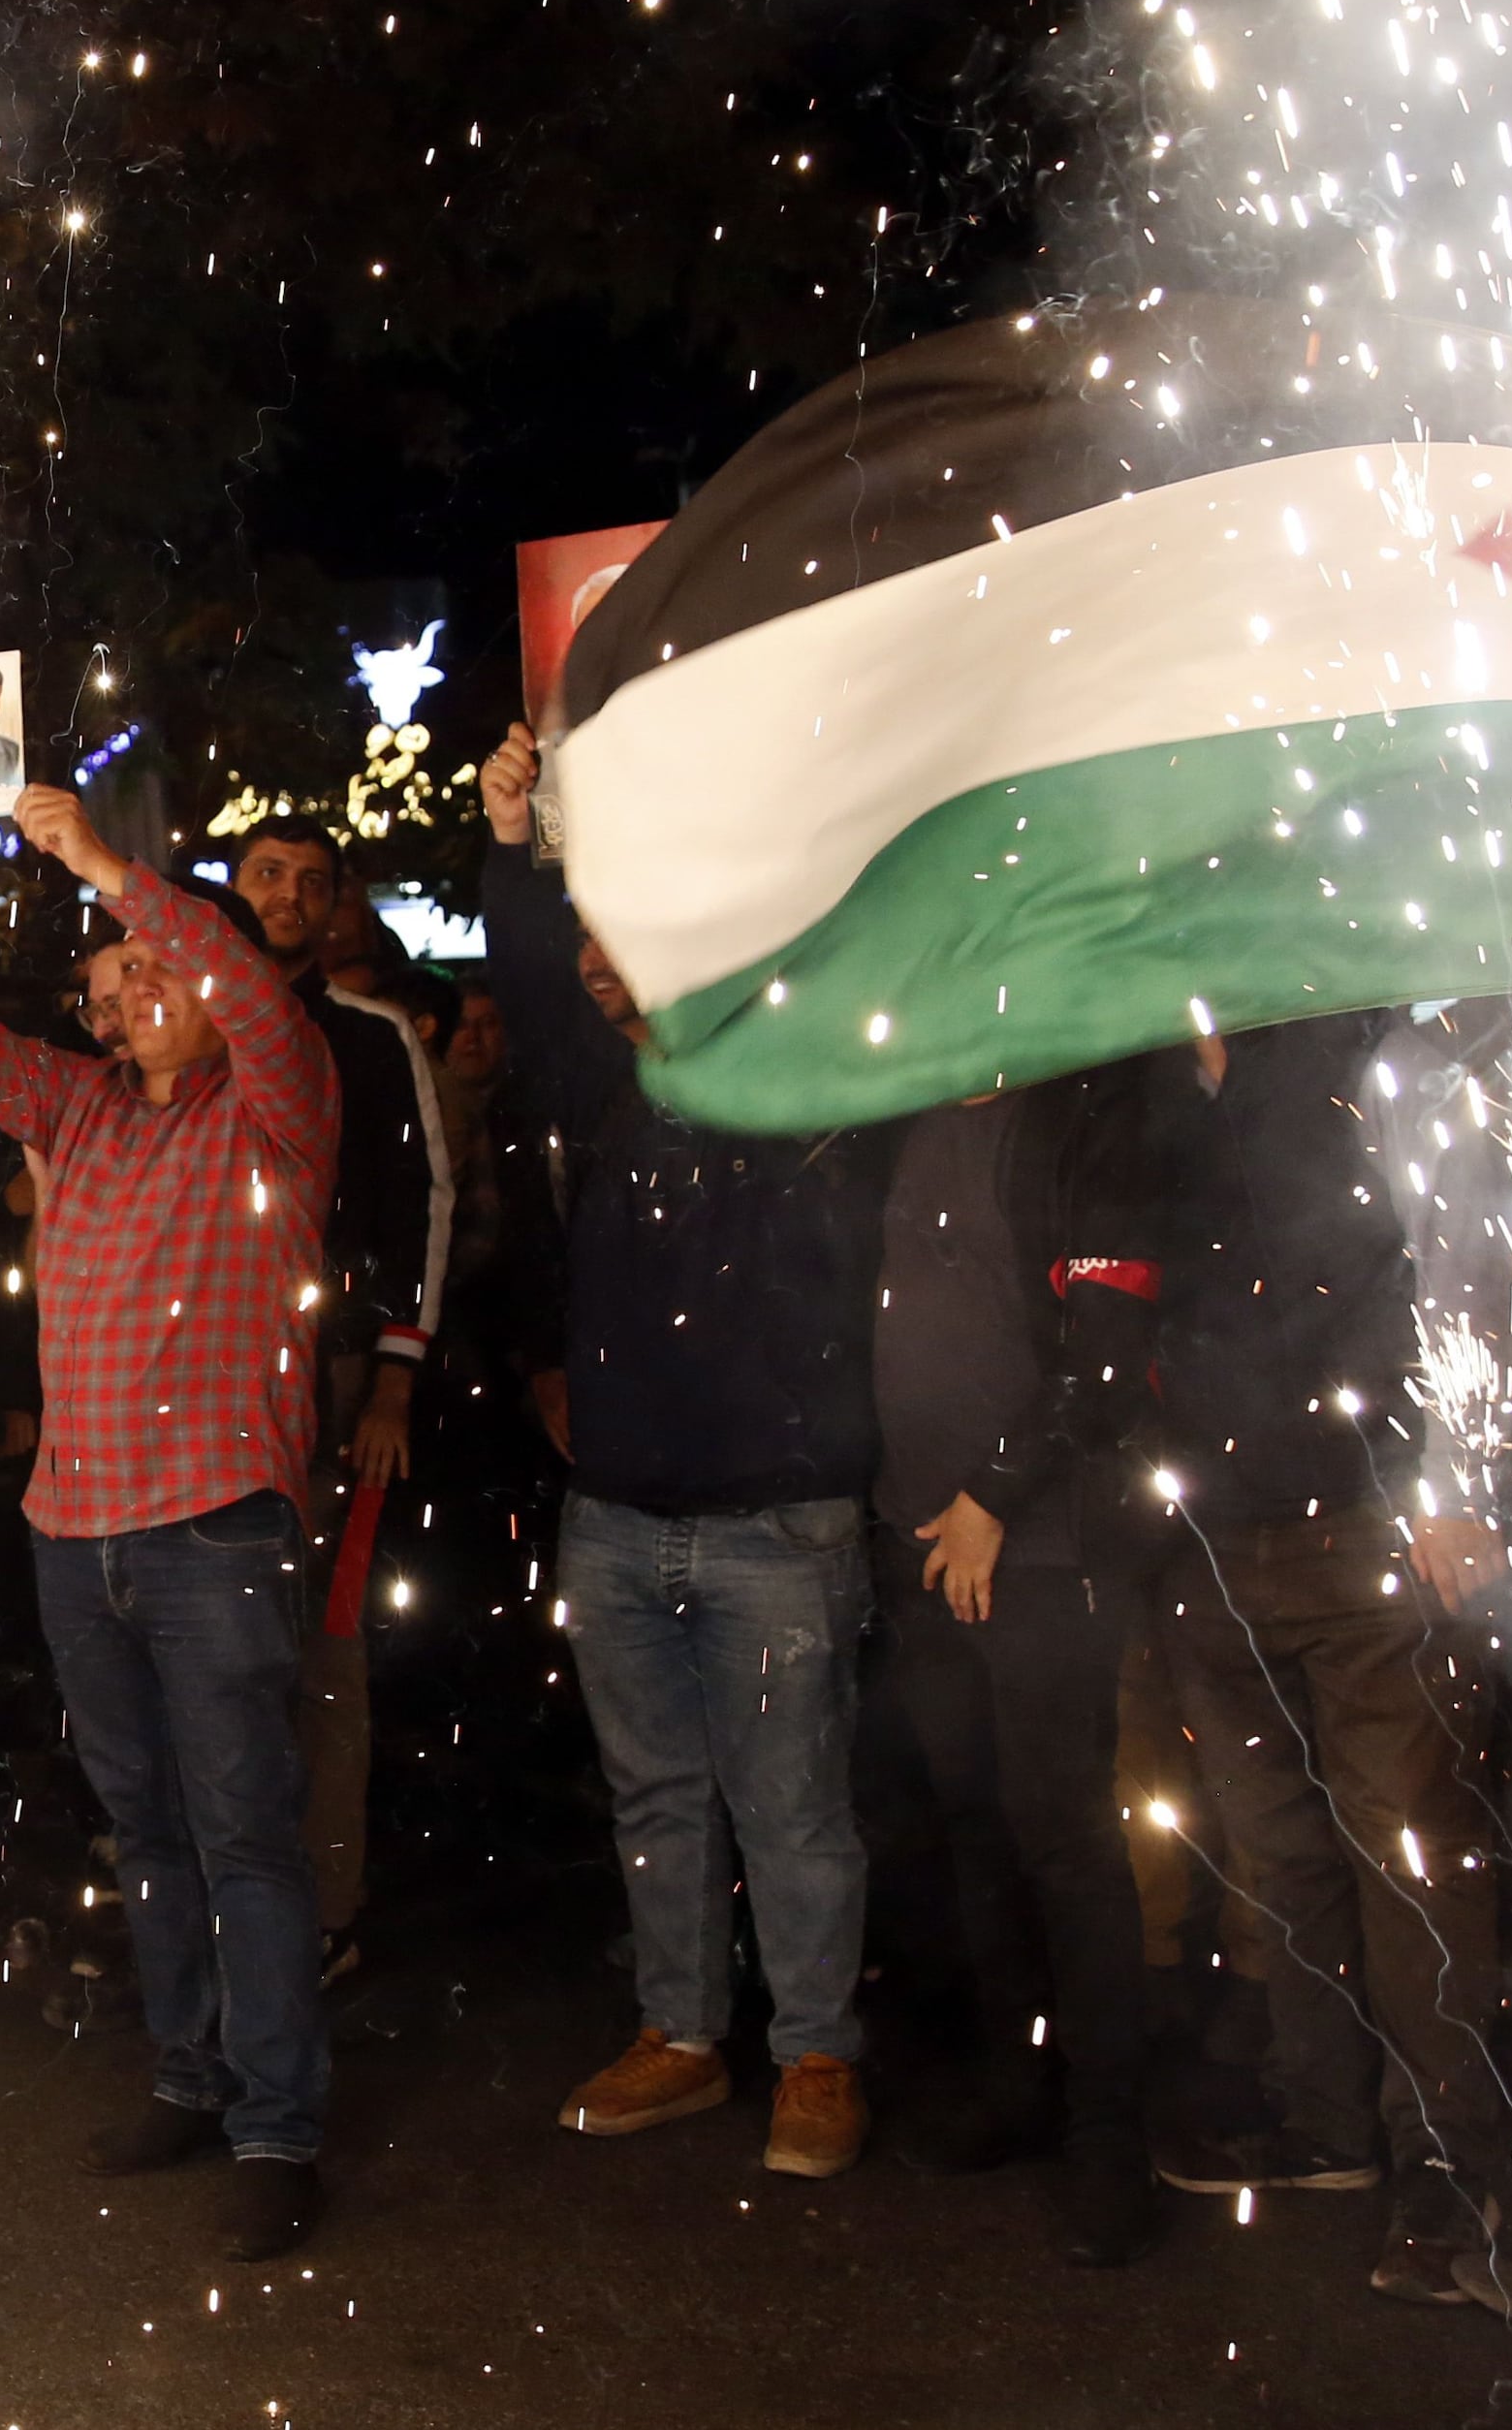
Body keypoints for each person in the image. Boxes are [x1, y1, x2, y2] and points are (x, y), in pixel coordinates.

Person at [0, 779, 337, 2262]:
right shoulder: (81, 1111)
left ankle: (278, 2125)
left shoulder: (274, 1105)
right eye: (109, 985)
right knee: (146, 1830)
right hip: (76, 1535)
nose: (137, 991)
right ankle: (190, 2076)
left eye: (157, 971)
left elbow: (245, 989)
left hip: (214, 1529)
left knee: (244, 1835)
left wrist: (97, 864)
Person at [1131, 1013, 1512, 2328]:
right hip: (1217, 1538)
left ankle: (1455, 2174)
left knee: (1411, 1862)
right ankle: (1327, 2124)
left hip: (1371, 1527)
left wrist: (1457, 1484)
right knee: (1277, 1850)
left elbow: (1467, 1267)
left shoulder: (1374, 1064)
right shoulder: (1161, 1081)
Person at [475, 723, 897, 2179]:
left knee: (793, 1809)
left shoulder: (797, 1079)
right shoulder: (605, 1094)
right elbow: (532, 981)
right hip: (621, 1514)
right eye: (590, 937)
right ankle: (685, 2034)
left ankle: (819, 2054)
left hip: (780, 1519)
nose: (599, 962)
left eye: (628, 935)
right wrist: (520, 834)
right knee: (659, 1798)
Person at [861, 1072, 1165, 2265]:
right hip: (920, 1540)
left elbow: (1104, 1350)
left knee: (1064, 1835)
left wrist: (994, 1494)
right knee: (975, 1824)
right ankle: (1019, 2084)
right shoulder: (909, 1111)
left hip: (1040, 1546)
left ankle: (1109, 2137)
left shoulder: (1093, 1118)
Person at [224, 813, 454, 1980]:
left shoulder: (366, 1036)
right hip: (195, 1388)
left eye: (311, 883)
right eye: (267, 872)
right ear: (229, 884)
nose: (288, 896)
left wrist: (393, 1384)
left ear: (335, 908)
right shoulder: (184, 1018)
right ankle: (218, 1905)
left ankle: (323, 1907)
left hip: (326, 1383)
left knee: (319, 1650)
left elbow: (421, 1202)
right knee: (205, 1656)